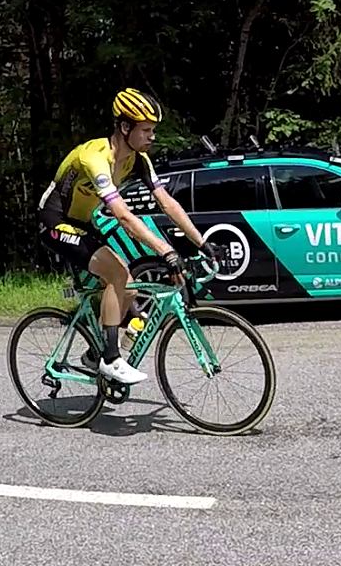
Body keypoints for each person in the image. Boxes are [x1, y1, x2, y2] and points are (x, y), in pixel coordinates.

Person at [37, 87, 214, 384]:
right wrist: (166, 251)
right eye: (146, 130)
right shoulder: (94, 157)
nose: (152, 136)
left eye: (153, 130)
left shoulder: (138, 160)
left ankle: (94, 355)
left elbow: (167, 202)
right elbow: (122, 215)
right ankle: (109, 359)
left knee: (128, 286)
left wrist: (202, 241)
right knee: (117, 274)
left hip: (81, 223)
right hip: (55, 223)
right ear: (125, 127)